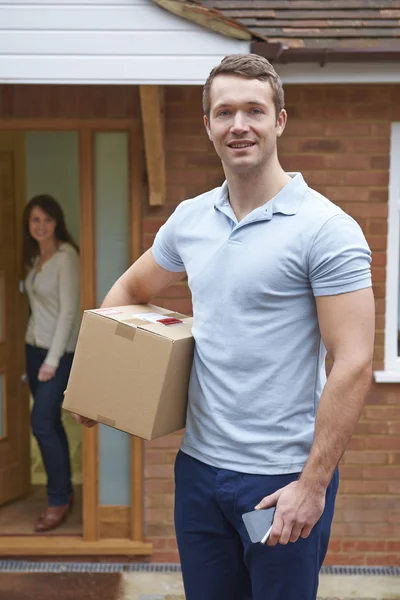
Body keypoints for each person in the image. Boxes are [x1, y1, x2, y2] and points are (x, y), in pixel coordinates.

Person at [75, 54, 374, 599]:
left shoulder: (326, 229)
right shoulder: (190, 220)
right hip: (199, 472)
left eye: (254, 110)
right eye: (225, 112)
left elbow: (353, 363)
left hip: (279, 481)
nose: (239, 125)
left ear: (279, 120)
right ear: (208, 125)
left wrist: (313, 486)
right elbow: (130, 292)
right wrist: (101, 388)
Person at [23, 194, 80, 533]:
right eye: (34, 220)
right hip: (33, 350)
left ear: (57, 222)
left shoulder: (66, 257)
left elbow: (69, 313)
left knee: (41, 424)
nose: (40, 226)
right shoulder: (35, 259)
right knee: (51, 424)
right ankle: (65, 492)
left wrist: (53, 361)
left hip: (56, 354)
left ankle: (57, 501)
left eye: (46, 220)